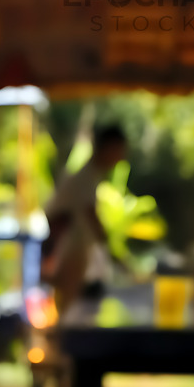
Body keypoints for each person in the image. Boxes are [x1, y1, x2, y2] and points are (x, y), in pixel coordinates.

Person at [42, 124, 129, 315]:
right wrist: (115, 256)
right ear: (108, 147)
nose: (121, 157)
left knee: (69, 312)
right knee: (68, 313)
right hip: (68, 254)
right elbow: (90, 218)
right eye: (120, 150)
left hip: (71, 254)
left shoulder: (89, 177)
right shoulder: (85, 178)